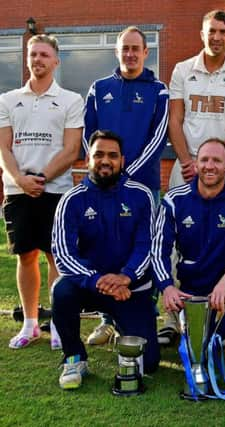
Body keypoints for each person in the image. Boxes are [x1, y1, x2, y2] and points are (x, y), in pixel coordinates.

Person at [152, 138, 225, 384]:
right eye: (204, 160)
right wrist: (167, 286)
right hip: (194, 284)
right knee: (203, 348)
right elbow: (158, 250)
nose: (210, 166)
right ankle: (217, 327)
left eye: (217, 160)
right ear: (195, 165)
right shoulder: (175, 199)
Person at [51, 130, 159, 389]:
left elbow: (149, 245)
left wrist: (126, 277)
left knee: (150, 363)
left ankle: (124, 332)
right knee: (62, 290)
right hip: (91, 287)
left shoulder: (141, 195)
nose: (105, 160)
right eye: (98, 154)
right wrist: (98, 280)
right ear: (88, 158)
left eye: (112, 155)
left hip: (130, 290)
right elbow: (63, 253)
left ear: (122, 160)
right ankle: (74, 357)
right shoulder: (72, 200)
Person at [83, 26, 169, 346]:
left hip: (143, 186)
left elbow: (159, 137)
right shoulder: (98, 88)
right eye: (125, 49)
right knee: (106, 246)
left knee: (145, 246)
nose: (130, 54)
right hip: (101, 185)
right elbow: (89, 135)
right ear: (116, 52)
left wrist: (125, 173)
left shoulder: (159, 90)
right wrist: (102, 170)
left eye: (136, 49)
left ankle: (146, 312)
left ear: (146, 53)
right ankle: (108, 318)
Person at [0, 34, 83, 351]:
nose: (38, 60)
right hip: (18, 190)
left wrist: (43, 177)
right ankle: (30, 324)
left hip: (55, 189)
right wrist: (21, 179)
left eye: (44, 55)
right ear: (27, 59)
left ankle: (59, 325)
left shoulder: (71, 100)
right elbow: (3, 147)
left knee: (55, 256)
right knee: (25, 256)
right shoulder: (7, 99)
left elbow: (72, 147)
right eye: (33, 54)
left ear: (56, 61)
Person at [168, 9, 225, 188]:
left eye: (223, 32)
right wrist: (187, 162)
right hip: (187, 166)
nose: (217, 37)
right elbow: (174, 120)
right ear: (202, 35)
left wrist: (214, 161)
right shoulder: (182, 70)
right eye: (211, 31)